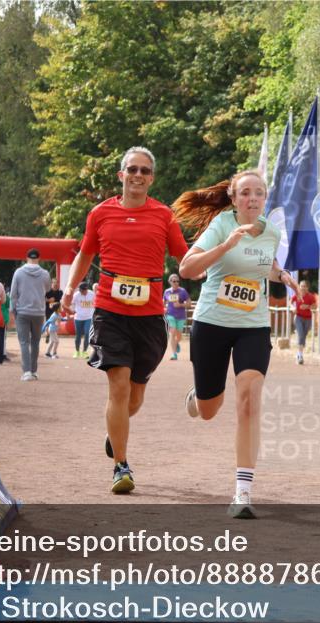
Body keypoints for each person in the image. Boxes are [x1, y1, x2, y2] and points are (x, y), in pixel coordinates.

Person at [60, 146, 188, 494]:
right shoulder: (100, 214)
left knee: (134, 397)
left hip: (149, 316)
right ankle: (121, 465)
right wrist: (69, 290)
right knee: (117, 385)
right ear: (121, 175)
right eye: (132, 169)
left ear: (152, 178)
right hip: (109, 310)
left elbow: (184, 257)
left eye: (145, 171)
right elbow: (85, 255)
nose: (138, 175)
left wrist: (219, 261)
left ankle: (114, 432)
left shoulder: (164, 215)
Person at [175, 170, 297, 519]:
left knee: (248, 400)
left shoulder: (271, 232)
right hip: (212, 323)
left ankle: (243, 492)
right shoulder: (220, 225)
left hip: (253, 327)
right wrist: (227, 245)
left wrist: (282, 275)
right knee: (210, 409)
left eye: (259, 193)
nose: (253, 199)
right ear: (233, 198)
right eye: (245, 193)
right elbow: (186, 268)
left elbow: (265, 265)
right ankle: (199, 396)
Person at [10, 248, 52, 381]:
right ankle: (34, 371)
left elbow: (13, 294)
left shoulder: (18, 272)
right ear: (38, 258)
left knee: (24, 342)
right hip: (39, 311)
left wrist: (13, 310)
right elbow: (48, 288)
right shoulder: (45, 273)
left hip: (22, 311)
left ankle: (26, 372)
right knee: (35, 342)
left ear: (26, 258)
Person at [162, 273, 190, 361]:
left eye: (177, 281)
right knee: (172, 332)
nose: (176, 283)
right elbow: (163, 303)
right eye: (174, 281)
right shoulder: (167, 291)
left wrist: (180, 304)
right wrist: (164, 309)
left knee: (179, 336)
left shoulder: (183, 291)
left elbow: (189, 303)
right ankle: (174, 354)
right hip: (170, 315)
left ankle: (177, 343)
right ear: (170, 282)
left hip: (181, 316)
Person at [290, 279, 317, 365]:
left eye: (304, 286)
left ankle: (299, 353)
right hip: (298, 317)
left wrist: (307, 306)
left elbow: (315, 307)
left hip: (308, 319)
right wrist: (292, 307)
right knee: (301, 335)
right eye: (301, 286)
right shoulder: (297, 295)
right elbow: (290, 302)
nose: (303, 288)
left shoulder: (311, 296)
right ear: (299, 287)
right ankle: (300, 356)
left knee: (303, 336)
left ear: (307, 287)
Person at [71, 282, 95, 358]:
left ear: (86, 289)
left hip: (89, 317)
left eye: (84, 290)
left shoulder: (92, 294)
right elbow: (72, 303)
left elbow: (96, 303)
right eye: (81, 290)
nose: (83, 292)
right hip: (78, 317)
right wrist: (73, 311)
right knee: (78, 335)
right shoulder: (76, 295)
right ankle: (77, 351)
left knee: (87, 333)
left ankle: (84, 352)